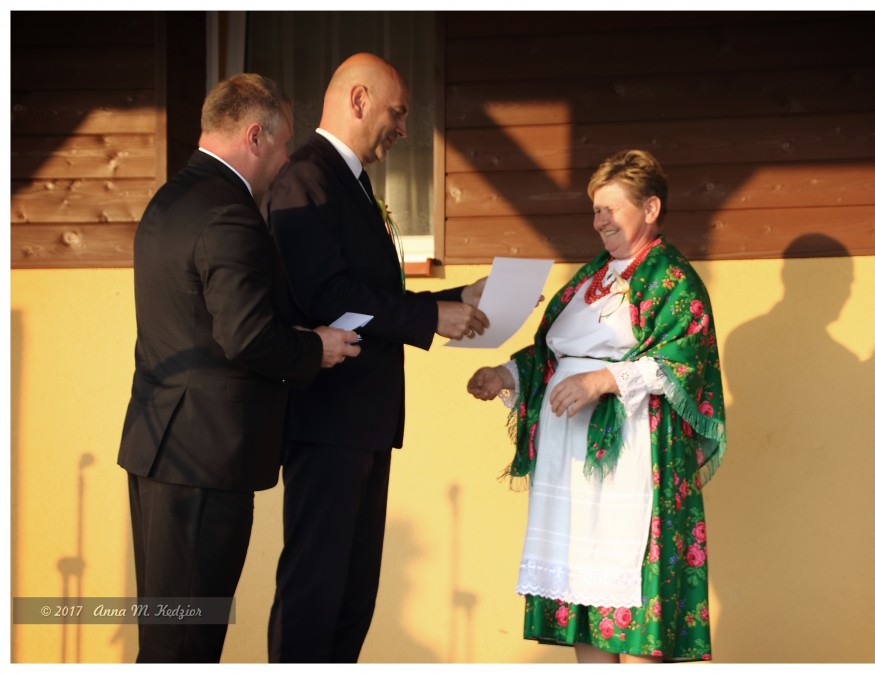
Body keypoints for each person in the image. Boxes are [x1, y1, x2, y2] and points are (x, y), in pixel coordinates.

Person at [117, 73, 361, 663]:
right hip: (206, 459)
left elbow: (204, 323)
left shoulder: (170, 200)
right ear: (255, 136)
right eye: (283, 142)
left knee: (166, 639)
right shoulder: (230, 214)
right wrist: (316, 348)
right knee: (187, 646)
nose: (286, 158)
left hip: (160, 446)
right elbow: (247, 335)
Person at [263, 52, 489, 663]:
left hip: (363, 423)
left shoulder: (354, 182)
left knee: (353, 597)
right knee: (314, 593)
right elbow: (328, 295)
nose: (405, 128)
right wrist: (430, 317)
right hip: (328, 421)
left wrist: (454, 300)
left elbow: (372, 299)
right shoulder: (306, 177)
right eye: (399, 112)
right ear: (359, 101)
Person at [467, 150, 726, 663]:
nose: (599, 220)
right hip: (570, 465)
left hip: (633, 458)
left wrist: (606, 379)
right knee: (583, 597)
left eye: (610, 208)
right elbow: (554, 355)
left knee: (635, 600)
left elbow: (684, 359)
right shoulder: (592, 276)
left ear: (650, 208)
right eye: (595, 210)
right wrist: (505, 375)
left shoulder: (673, 278)